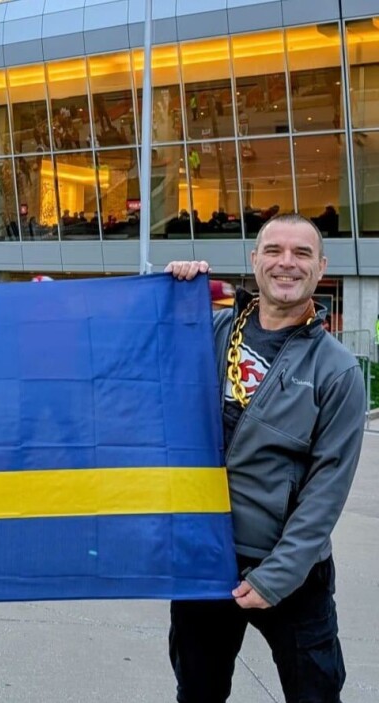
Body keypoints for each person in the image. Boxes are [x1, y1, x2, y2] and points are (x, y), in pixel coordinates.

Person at [164, 212, 366, 703]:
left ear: (321, 268)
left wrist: (277, 576)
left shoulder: (337, 371)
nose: (286, 263)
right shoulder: (209, 334)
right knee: (198, 693)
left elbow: (326, 490)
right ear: (254, 261)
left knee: (315, 695)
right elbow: (142, 359)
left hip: (292, 573)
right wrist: (173, 294)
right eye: (274, 251)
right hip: (206, 561)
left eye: (301, 254)